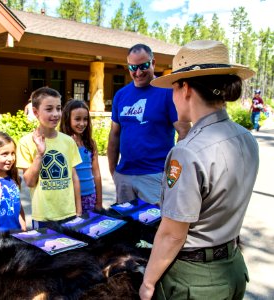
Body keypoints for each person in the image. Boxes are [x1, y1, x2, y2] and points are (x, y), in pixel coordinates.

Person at [138, 40, 259, 300]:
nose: (171, 95)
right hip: (233, 266)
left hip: (194, 279)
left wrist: (148, 283)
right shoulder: (246, 137)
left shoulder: (186, 152)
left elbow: (172, 234)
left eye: (173, 87)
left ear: (186, 88)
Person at [107, 43, 191, 205]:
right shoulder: (121, 95)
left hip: (155, 176)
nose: (138, 72)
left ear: (153, 63)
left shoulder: (168, 93)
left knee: (155, 228)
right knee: (125, 227)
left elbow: (185, 131)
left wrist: (171, 173)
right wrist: (114, 170)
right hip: (124, 175)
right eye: (133, 67)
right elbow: (114, 134)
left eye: (143, 66)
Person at [16, 87, 82, 229]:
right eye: (49, 109)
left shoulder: (68, 141)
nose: (55, 114)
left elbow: (74, 177)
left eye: (58, 108)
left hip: (69, 213)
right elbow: (29, 181)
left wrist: (79, 210)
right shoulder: (26, 142)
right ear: (35, 112)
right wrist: (39, 155)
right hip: (43, 216)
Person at [60, 99, 103, 213]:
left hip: (90, 197)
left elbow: (97, 174)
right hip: (71, 199)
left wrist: (99, 202)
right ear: (67, 119)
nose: (82, 123)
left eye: (85, 119)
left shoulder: (90, 143)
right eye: (77, 119)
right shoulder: (62, 143)